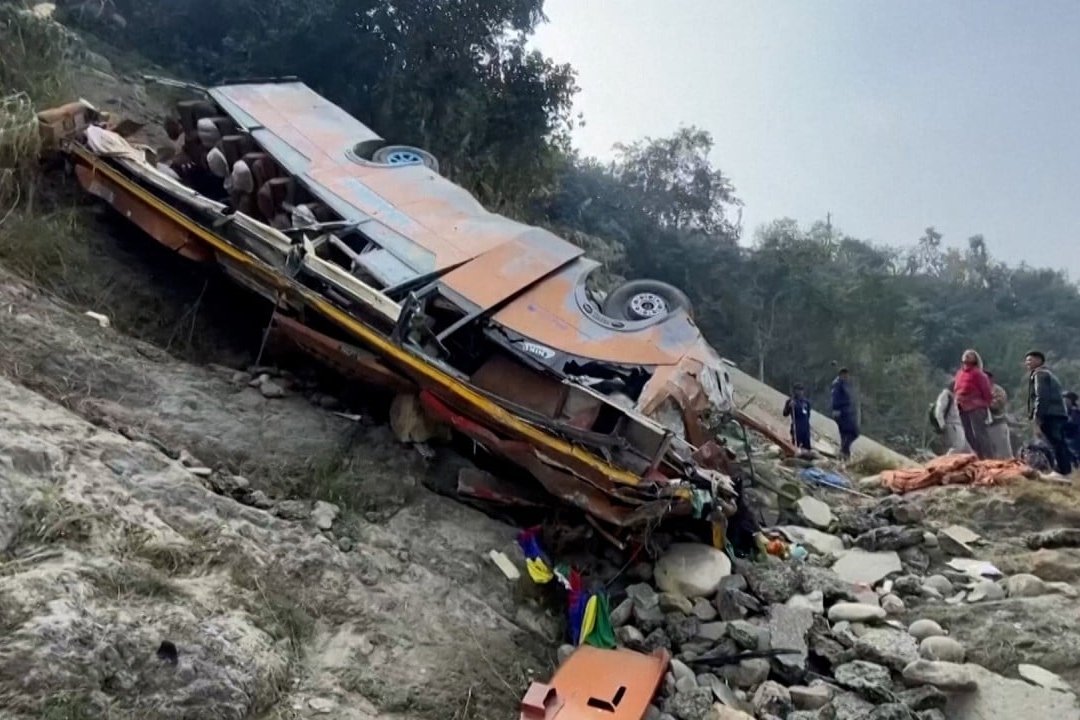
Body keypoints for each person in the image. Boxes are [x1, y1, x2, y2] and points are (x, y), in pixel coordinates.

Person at [1025, 350, 1071, 475]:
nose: (1027, 363)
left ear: (1039, 360)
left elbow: (1041, 397)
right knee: (1059, 443)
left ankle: (1061, 470)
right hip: (1057, 414)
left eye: (1030, 360)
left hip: (1050, 414)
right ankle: (1065, 469)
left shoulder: (1040, 374)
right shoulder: (1049, 374)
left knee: (1054, 443)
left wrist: (1037, 416)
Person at [953, 349, 993, 459]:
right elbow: (956, 388)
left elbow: (986, 391)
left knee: (979, 434)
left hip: (976, 407)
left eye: (970, 355)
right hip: (962, 406)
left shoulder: (978, 374)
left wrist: (985, 404)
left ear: (975, 359)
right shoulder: (960, 373)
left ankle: (988, 457)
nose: (966, 356)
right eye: (965, 354)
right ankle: (979, 456)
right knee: (968, 434)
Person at [932, 383, 971, 454]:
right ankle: (947, 460)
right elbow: (938, 411)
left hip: (958, 425)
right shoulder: (946, 395)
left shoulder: (955, 397)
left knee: (967, 450)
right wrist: (942, 425)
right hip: (951, 425)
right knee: (957, 447)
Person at [830, 368, 859, 460]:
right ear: (842, 375)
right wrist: (836, 409)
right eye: (845, 375)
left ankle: (845, 453)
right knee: (854, 432)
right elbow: (835, 398)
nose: (847, 377)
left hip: (845, 411)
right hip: (842, 412)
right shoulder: (838, 384)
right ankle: (843, 451)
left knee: (845, 434)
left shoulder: (842, 384)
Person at [984, 370, 1013, 459]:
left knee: (1004, 453)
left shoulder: (997, 390)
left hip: (998, 424)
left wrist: (983, 402)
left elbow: (997, 405)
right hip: (984, 426)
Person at [783, 383, 813, 452]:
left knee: (807, 447)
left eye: (801, 390)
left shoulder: (806, 402)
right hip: (796, 426)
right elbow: (785, 414)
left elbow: (808, 414)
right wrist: (789, 407)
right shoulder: (790, 401)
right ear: (794, 391)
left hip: (805, 427)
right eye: (798, 390)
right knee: (796, 445)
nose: (800, 392)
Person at [1064, 391, 1080, 465]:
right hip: (1068, 439)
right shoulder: (1066, 412)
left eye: (1066, 399)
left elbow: (1073, 424)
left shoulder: (1075, 412)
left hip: (1075, 439)